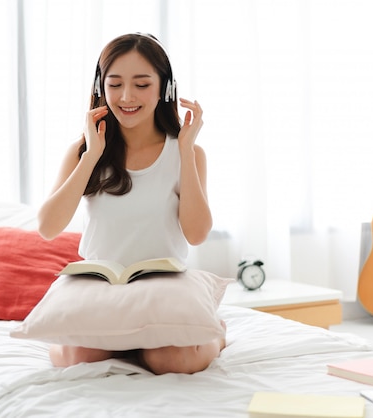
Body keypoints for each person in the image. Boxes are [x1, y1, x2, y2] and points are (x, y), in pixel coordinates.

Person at [37, 33, 225, 375]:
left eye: (141, 84)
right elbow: (48, 227)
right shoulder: (83, 151)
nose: (126, 97)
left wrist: (184, 151)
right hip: (101, 289)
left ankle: (217, 334)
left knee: (169, 361)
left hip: (162, 287)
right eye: (115, 84)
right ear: (100, 86)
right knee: (80, 358)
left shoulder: (189, 153)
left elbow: (197, 234)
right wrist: (91, 156)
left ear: (164, 88)